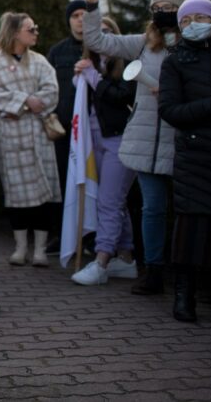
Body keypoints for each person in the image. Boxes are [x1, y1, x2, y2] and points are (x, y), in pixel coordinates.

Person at [81, 0, 191, 295]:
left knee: (187, 211)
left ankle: (189, 273)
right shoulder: (144, 43)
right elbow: (97, 39)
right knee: (152, 208)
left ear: (183, 12)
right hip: (145, 142)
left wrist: (173, 94)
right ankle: (153, 270)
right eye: (156, 8)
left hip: (182, 140)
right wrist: (92, 6)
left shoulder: (195, 46)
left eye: (169, 8)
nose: (161, 13)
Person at [157, 0, 211, 322]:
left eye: (200, 17)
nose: (193, 24)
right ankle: (184, 295)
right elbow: (169, 110)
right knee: (192, 228)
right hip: (194, 154)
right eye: (186, 20)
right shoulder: (175, 61)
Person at [0, 12, 61, 268]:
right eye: (31, 28)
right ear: (15, 32)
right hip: (12, 138)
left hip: (39, 136)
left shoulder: (40, 61)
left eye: (35, 28)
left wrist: (27, 103)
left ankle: (39, 250)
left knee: (43, 197)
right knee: (16, 195)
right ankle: (20, 247)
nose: (36, 32)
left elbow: (51, 91)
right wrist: (26, 101)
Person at [70, 16, 139, 285]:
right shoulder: (90, 64)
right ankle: (126, 258)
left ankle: (101, 260)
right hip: (94, 141)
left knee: (109, 202)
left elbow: (123, 96)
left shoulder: (128, 64)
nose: (102, 37)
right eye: (96, 33)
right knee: (113, 201)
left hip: (119, 140)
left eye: (108, 32)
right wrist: (80, 80)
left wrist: (95, 78)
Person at [45, 0, 87, 253]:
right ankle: (63, 235)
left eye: (84, 14)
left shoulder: (99, 48)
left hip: (93, 130)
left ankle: (90, 236)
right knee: (62, 181)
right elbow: (49, 87)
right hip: (64, 129)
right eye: (75, 15)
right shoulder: (58, 52)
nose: (80, 19)